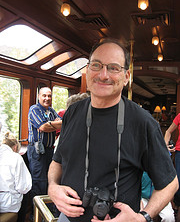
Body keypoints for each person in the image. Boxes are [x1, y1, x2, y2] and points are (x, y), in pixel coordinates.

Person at [48, 38, 178, 222]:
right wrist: (52, 187)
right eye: (96, 65)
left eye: (113, 68)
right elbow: (57, 161)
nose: (103, 75)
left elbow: (170, 184)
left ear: (126, 77)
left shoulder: (143, 122)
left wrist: (142, 218)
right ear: (87, 70)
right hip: (66, 218)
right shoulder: (72, 112)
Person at [27, 87, 62, 217]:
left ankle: (48, 213)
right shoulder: (34, 110)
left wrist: (51, 124)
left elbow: (62, 123)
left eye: (49, 96)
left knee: (49, 180)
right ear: (39, 97)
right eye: (44, 96)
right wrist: (52, 124)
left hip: (49, 151)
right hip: (37, 151)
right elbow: (43, 127)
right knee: (38, 182)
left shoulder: (51, 111)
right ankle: (36, 215)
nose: (47, 98)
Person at [0, 132, 32, 221]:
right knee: (25, 193)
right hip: (7, 205)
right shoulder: (15, 157)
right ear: (15, 147)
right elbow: (24, 187)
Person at [164, 113, 180, 219]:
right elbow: (168, 131)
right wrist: (165, 146)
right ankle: (177, 206)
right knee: (178, 183)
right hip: (179, 152)